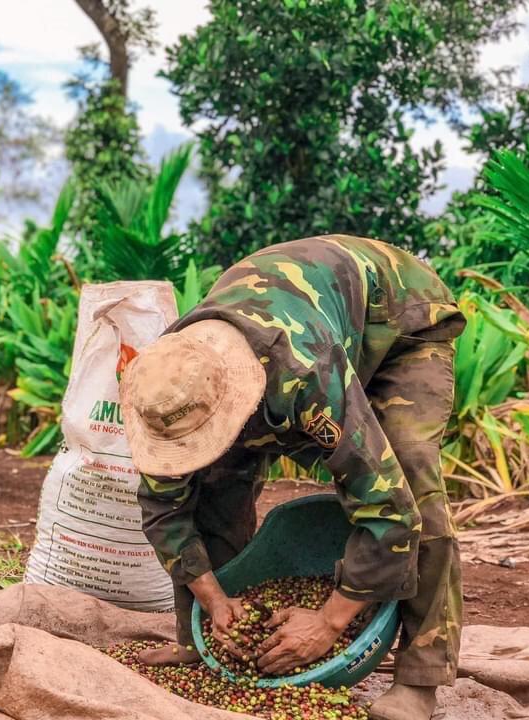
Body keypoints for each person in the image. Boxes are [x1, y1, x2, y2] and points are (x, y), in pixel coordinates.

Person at [119, 235, 464, 720]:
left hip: (399, 318)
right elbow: (165, 508)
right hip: (301, 321)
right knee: (213, 479)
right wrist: (214, 601)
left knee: (410, 472)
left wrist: (328, 621)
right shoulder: (169, 381)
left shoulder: (302, 375)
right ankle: (199, 641)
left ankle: (419, 678)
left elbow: (387, 506)